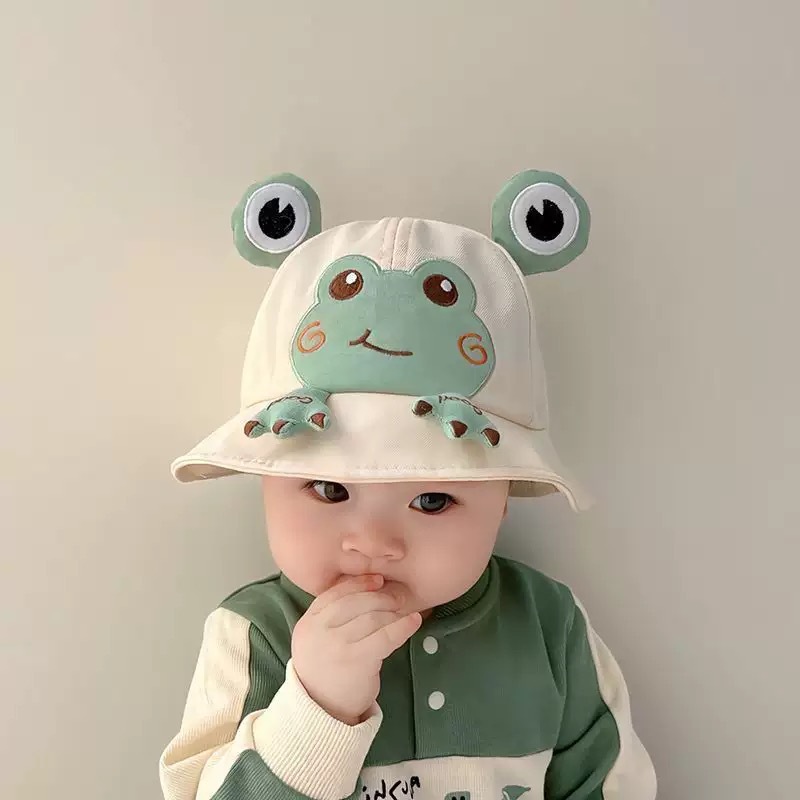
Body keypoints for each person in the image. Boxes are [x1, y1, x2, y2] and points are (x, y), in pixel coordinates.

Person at [159, 170, 657, 800]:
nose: (373, 543)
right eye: (330, 490)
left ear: (503, 496)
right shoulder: (253, 634)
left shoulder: (548, 626)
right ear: (267, 480)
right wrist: (315, 712)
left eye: (432, 500)